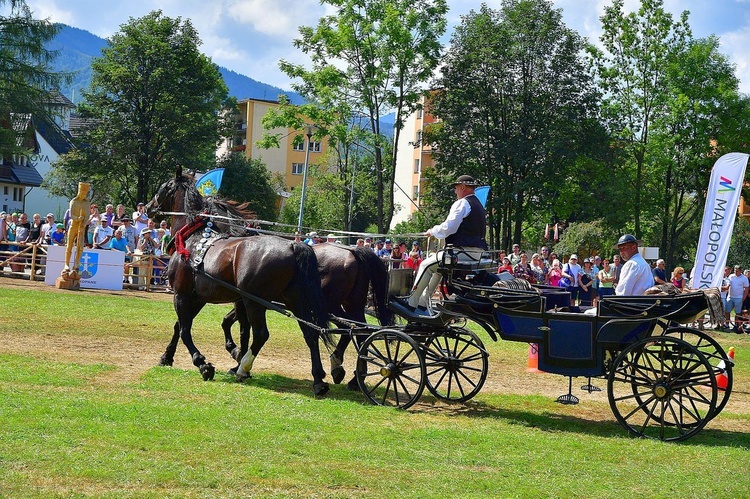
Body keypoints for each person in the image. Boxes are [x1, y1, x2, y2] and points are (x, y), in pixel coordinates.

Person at [404, 174, 487, 312]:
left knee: (425, 265)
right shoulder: (479, 205)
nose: (455, 192)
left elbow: (449, 227)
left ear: (463, 187)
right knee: (437, 270)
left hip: (462, 252)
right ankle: (423, 302)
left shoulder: (463, 203)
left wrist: (433, 231)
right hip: (476, 254)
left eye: (456, 188)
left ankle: (411, 302)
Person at [63, 182, 91, 275]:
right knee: (69, 245)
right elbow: (71, 215)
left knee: (80, 247)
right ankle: (66, 264)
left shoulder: (87, 204)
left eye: (85, 193)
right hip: (73, 225)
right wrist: (77, 218)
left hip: (81, 227)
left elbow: (87, 216)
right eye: (82, 192)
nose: (83, 195)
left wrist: (83, 223)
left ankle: (76, 264)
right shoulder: (73, 202)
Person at [724, 265, 749, 332]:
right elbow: (728, 284)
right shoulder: (731, 276)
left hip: (739, 297)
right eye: (734, 270)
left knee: (737, 312)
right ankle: (727, 323)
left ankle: (736, 325)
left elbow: (746, 288)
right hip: (730, 296)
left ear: (740, 271)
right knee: (727, 311)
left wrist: (743, 297)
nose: (735, 272)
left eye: (737, 271)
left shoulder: (744, 278)